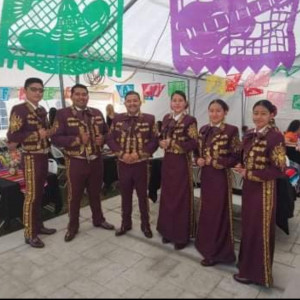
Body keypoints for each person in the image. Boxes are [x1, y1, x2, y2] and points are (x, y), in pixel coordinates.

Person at [51, 83, 114, 242]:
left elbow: (108, 133)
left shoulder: (97, 113)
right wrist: (77, 139)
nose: (81, 97)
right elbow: (55, 138)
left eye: (84, 94)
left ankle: (98, 219)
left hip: (96, 160)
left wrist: (103, 139)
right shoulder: (62, 114)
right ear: (71, 96)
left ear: (88, 96)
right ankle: (73, 227)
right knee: (75, 196)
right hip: (76, 161)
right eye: (77, 94)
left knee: (95, 193)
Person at [233, 100, 286, 287]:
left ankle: (259, 274)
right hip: (249, 188)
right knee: (249, 228)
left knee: (260, 231)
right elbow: (244, 157)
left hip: (264, 191)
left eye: (263, 113)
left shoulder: (276, 137)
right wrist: (241, 165)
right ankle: (247, 266)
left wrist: (251, 173)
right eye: (255, 113)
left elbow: (279, 169)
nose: (258, 117)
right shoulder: (250, 134)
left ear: (272, 115)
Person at [7, 77, 56, 248]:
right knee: (31, 196)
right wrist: (36, 135)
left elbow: (45, 132)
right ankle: (29, 234)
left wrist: (51, 131)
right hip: (30, 157)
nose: (38, 92)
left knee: (40, 193)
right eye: (34, 89)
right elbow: (12, 138)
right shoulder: (19, 109)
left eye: (41, 90)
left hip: (43, 155)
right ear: (25, 90)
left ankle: (38, 226)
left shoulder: (42, 109)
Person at [194, 99, 240, 266]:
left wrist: (214, 161)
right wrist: (198, 159)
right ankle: (205, 246)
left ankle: (218, 252)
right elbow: (198, 151)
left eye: (218, 111)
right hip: (206, 176)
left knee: (219, 213)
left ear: (225, 112)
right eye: (211, 110)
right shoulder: (204, 129)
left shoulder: (231, 130)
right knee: (206, 211)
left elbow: (235, 157)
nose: (214, 114)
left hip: (220, 177)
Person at [107, 91, 158, 238]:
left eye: (135, 101)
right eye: (129, 101)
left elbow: (154, 141)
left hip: (141, 164)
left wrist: (139, 154)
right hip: (123, 164)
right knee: (125, 195)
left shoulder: (149, 119)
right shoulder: (117, 119)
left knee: (143, 196)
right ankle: (125, 224)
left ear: (140, 102)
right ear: (125, 103)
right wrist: (121, 154)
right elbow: (110, 139)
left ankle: (145, 225)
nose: (132, 103)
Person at [156, 90, 198, 250]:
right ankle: (167, 231)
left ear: (185, 103)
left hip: (181, 163)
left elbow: (194, 142)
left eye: (180, 100)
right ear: (170, 103)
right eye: (174, 100)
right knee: (167, 196)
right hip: (168, 162)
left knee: (181, 198)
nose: (177, 103)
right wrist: (161, 143)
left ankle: (181, 235)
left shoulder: (190, 120)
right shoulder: (166, 118)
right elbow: (161, 136)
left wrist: (173, 144)